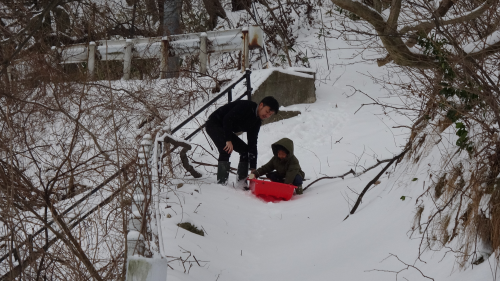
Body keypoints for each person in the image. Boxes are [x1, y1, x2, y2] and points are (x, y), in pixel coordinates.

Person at [205, 96, 279, 186]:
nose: (267, 116)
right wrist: (228, 140)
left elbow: (252, 143)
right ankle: (221, 184)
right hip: (214, 124)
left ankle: (242, 183)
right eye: (267, 112)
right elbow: (227, 119)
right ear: (261, 105)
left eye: (270, 114)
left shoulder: (257, 121)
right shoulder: (246, 106)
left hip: (225, 129)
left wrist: (253, 168)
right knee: (226, 149)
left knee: (245, 151)